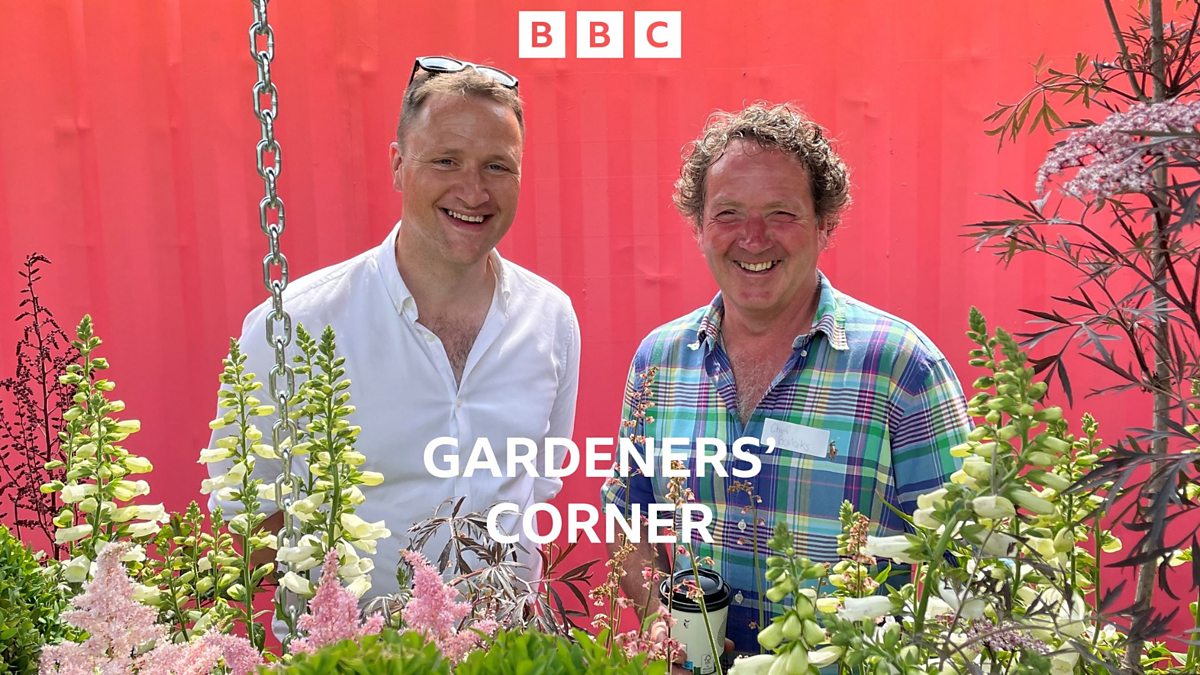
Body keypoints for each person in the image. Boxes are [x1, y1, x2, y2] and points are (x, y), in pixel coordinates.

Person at [601, 102, 971, 654]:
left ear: (825, 224)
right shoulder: (659, 361)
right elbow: (629, 519)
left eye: (781, 213)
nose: (753, 237)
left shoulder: (901, 368)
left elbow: (966, 557)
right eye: (727, 214)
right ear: (699, 226)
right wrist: (660, 616)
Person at [207, 56, 581, 601]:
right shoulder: (294, 325)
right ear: (398, 165)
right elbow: (244, 525)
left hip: (506, 652)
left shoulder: (551, 318)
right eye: (447, 161)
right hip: (352, 655)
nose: (473, 190)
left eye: (497, 166)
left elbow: (538, 487)